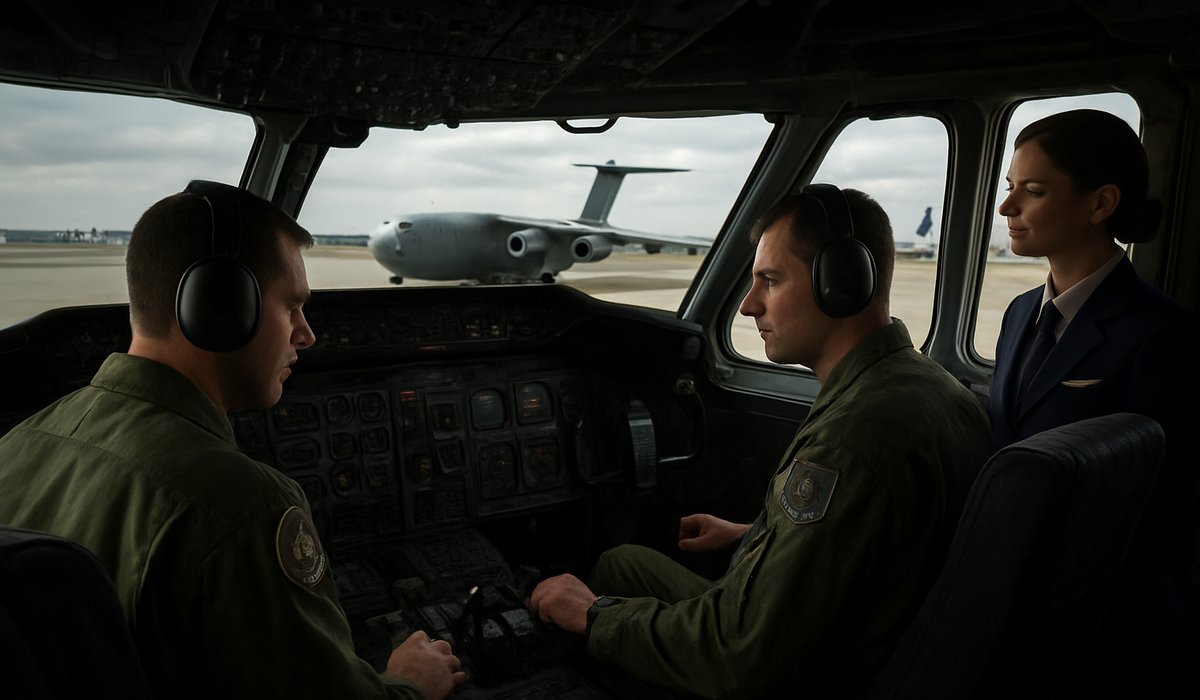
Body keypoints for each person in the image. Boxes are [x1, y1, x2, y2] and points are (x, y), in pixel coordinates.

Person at [0, 182, 466, 699]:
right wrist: (408, 683)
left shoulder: (20, 442)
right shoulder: (239, 506)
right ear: (219, 306)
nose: (305, 334)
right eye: (291, 307)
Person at [527, 186, 994, 698]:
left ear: (840, 283)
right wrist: (753, 532)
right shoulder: (930, 384)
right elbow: (871, 535)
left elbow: (736, 651)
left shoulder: (851, 441)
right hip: (871, 639)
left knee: (589, 604)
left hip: (814, 673)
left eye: (770, 280)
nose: (749, 306)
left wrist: (593, 619)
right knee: (621, 563)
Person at [989, 109, 1200, 690]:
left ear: (1100, 203)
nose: (1007, 208)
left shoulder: (1162, 335)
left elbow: (1165, 513)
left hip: (1103, 626)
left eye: (1032, 191)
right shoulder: (1016, 314)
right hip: (1011, 599)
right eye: (1011, 189)